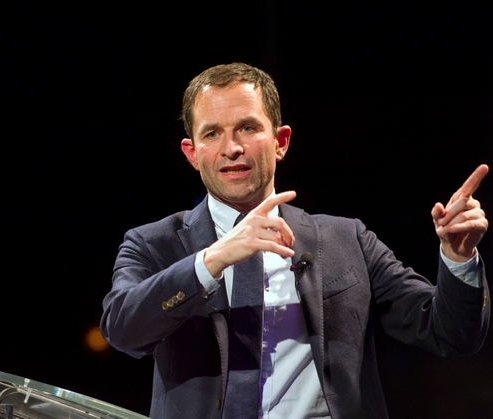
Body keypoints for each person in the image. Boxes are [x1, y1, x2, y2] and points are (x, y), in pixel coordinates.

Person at [100, 63, 489, 419]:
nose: (231, 147)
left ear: (281, 141)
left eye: (248, 128)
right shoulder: (153, 244)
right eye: (213, 133)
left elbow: (449, 333)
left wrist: (458, 256)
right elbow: (123, 331)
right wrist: (212, 260)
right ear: (192, 153)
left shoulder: (345, 239)